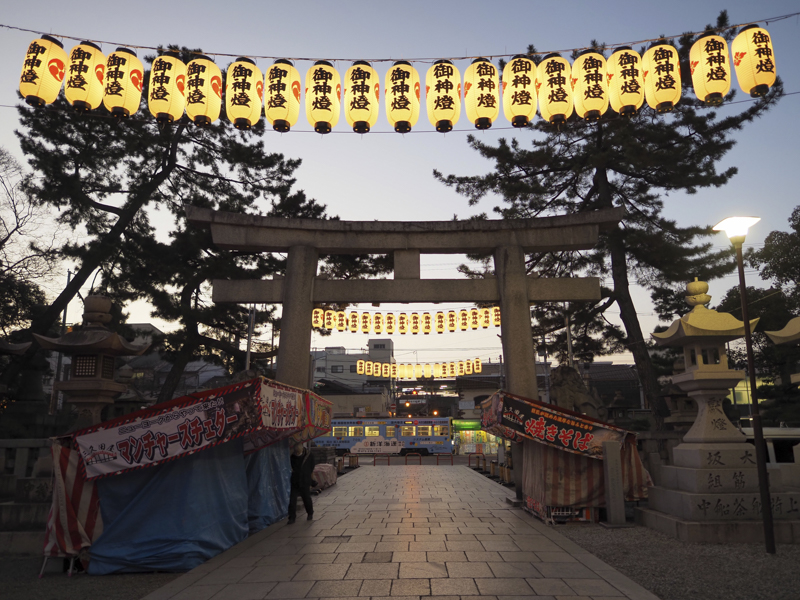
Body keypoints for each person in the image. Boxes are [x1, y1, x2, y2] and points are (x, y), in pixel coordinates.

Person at [288, 442, 315, 524]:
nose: (297, 453)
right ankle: (292, 517)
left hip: (305, 480)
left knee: (306, 498)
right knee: (292, 500)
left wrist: (311, 478)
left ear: (302, 449)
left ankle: (310, 513)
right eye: (296, 452)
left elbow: (312, 468)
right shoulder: (292, 457)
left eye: (298, 452)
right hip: (295, 480)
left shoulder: (309, 456)